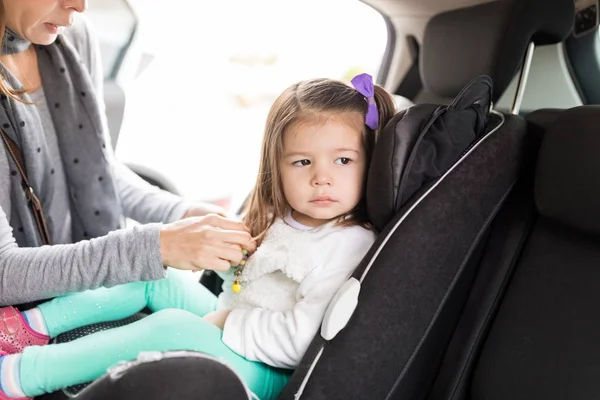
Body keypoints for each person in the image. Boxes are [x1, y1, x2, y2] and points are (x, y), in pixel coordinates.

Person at [0, 73, 397, 399]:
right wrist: (234, 264)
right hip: (236, 323)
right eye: (303, 161)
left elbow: (299, 343)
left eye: (343, 160)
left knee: (174, 324)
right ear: (277, 167)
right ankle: (25, 328)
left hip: (272, 373)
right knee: (156, 276)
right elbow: (254, 287)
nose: (321, 176)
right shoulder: (287, 217)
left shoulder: (348, 243)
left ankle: (20, 376)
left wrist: (227, 321)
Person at [0, 0, 256, 308]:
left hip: (79, 295)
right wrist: (157, 246)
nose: (79, 6)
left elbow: (98, 168)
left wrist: (182, 214)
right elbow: (4, 273)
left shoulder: (72, 37)